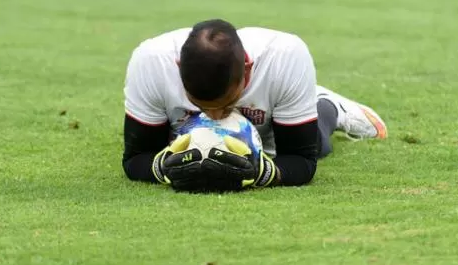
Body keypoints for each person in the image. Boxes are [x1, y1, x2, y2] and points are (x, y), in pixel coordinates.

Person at [122, 19, 388, 192]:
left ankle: (329, 106)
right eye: (198, 104)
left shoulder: (284, 57)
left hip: (269, 125)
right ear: (179, 69)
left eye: (226, 103)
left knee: (318, 145)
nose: (215, 117)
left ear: (248, 71)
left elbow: (302, 161)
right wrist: (167, 167)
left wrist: (261, 172)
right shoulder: (152, 62)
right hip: (183, 134)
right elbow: (135, 158)